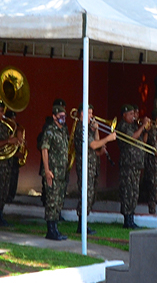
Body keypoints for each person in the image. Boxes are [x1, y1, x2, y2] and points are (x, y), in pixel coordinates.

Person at [75, 105, 117, 231]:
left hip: (92, 165)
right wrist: (108, 138)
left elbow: (97, 143)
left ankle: (84, 223)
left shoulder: (88, 128)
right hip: (84, 165)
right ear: (82, 114)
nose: (91, 116)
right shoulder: (81, 128)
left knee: (91, 194)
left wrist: (96, 130)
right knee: (85, 194)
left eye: (92, 113)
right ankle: (81, 225)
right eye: (89, 113)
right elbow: (93, 145)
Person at [38, 100, 70, 241]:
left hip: (62, 172)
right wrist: (47, 170)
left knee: (58, 200)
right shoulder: (50, 130)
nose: (63, 117)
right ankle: (51, 230)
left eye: (64, 115)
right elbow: (44, 149)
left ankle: (55, 228)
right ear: (54, 116)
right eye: (61, 115)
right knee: (51, 200)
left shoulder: (63, 130)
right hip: (53, 171)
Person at [117, 105, 150, 228]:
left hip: (136, 164)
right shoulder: (123, 126)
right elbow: (132, 138)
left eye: (133, 114)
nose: (133, 116)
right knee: (127, 191)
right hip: (128, 164)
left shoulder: (133, 126)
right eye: (130, 114)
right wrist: (142, 126)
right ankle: (127, 219)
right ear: (124, 115)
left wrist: (146, 130)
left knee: (134, 191)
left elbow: (143, 142)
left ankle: (131, 217)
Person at [0, 102, 21, 227]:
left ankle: (0, 214)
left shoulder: (4, 125)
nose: (3, 114)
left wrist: (16, 141)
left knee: (4, 190)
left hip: (6, 163)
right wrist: (8, 141)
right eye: (1, 111)